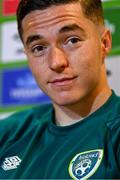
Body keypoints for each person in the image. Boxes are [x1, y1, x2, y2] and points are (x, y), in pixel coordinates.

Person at [0, 0, 120, 179]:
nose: (56, 62)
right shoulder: (8, 134)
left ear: (104, 43)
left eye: (72, 40)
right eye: (38, 48)